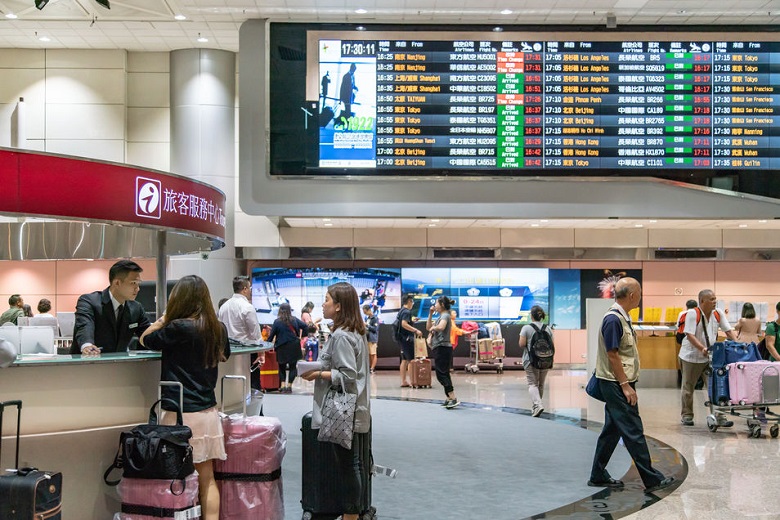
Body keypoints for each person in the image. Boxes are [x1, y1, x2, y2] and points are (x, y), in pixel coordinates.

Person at [139, 275, 230, 520]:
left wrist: (163, 319)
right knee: (207, 479)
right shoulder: (216, 328)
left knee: (175, 477)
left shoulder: (177, 327)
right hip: (207, 412)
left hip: (178, 413)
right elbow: (225, 356)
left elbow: (145, 339)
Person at [589, 277, 675, 494]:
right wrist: (626, 385)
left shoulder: (622, 317)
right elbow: (612, 355)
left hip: (619, 382)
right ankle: (651, 478)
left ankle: (597, 474)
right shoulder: (613, 320)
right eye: (640, 292)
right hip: (616, 384)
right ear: (632, 295)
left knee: (612, 430)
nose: (641, 295)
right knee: (633, 428)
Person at [300, 282, 370, 520]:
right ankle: (354, 514)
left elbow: (348, 375)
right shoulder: (355, 332)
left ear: (339, 306)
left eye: (327, 299)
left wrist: (317, 374)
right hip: (355, 408)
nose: (323, 303)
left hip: (343, 411)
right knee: (355, 464)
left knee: (348, 466)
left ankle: (351, 516)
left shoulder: (341, 336)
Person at [679, 289, 737, 427]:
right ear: (702, 301)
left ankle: (719, 415)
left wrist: (738, 345)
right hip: (691, 356)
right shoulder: (693, 314)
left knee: (717, 386)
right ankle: (687, 415)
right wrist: (702, 348)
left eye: (715, 298)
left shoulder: (718, 313)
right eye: (711, 299)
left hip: (710, 357)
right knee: (688, 387)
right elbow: (689, 335)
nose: (714, 301)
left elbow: (728, 331)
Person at [70, 260, 151, 354]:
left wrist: (162, 322)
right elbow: (85, 326)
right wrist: (87, 345)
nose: (138, 288)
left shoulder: (136, 308)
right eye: (133, 283)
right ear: (117, 283)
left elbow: (147, 336)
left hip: (118, 366)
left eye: (138, 283)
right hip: (85, 364)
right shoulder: (89, 301)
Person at [218, 276, 264, 388]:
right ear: (244, 289)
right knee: (251, 386)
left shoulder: (224, 307)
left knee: (231, 385)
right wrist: (261, 353)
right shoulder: (247, 307)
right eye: (250, 288)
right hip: (247, 353)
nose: (250, 290)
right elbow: (255, 333)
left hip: (228, 352)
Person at [427, 296, 459, 409]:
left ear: (442, 305)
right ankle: (449, 398)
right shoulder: (440, 316)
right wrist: (430, 314)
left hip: (443, 347)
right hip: (439, 347)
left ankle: (453, 397)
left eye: (436, 303)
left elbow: (441, 327)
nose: (434, 305)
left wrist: (433, 329)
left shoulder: (445, 315)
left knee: (441, 374)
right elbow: (428, 327)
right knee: (444, 373)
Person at [519, 305, 551, 418]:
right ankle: (536, 406)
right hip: (546, 360)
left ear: (531, 316)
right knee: (540, 384)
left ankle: (538, 405)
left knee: (532, 383)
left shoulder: (526, 328)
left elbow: (521, 344)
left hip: (530, 360)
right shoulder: (548, 328)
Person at [267, 302, 308, 392]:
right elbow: (305, 326)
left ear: (280, 311)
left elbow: (271, 336)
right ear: (289, 310)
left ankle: (282, 386)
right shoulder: (295, 320)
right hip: (294, 346)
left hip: (281, 347)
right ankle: (289, 386)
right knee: (293, 367)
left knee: (281, 367)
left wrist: (266, 345)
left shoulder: (277, 322)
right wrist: (301, 336)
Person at [396, 294, 422, 387]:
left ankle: (403, 381)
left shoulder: (401, 311)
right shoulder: (406, 312)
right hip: (407, 339)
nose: (413, 304)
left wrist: (412, 321)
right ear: (409, 301)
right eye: (412, 301)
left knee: (404, 360)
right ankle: (413, 381)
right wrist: (416, 330)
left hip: (401, 339)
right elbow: (404, 324)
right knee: (411, 360)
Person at [363, 304, 378, 373]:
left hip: (372, 338)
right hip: (367, 337)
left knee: (373, 353)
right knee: (369, 354)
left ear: (369, 310)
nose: (365, 314)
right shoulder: (367, 318)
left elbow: (375, 329)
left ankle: (372, 368)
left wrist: (367, 325)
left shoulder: (375, 318)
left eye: (365, 312)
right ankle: (370, 367)